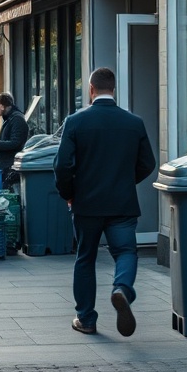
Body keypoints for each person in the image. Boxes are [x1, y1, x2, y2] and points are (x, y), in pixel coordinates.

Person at [54, 67, 156, 337]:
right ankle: (122, 288)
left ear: (91, 89)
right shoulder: (134, 122)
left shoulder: (75, 122)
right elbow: (148, 163)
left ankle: (86, 319)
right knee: (125, 252)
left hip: (86, 204)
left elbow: (62, 165)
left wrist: (70, 193)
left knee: (85, 258)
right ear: (113, 89)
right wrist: (123, 182)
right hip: (122, 203)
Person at [0, 91, 29, 175]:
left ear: (2, 106)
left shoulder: (16, 119)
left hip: (9, 164)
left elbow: (15, 143)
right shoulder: (9, 119)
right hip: (4, 162)